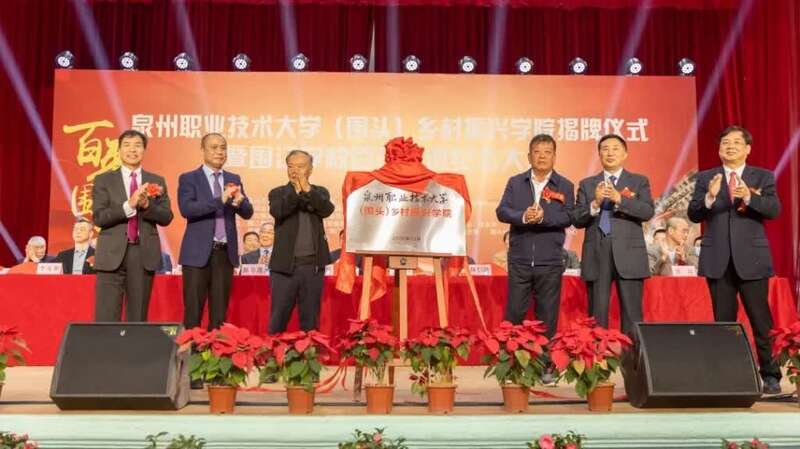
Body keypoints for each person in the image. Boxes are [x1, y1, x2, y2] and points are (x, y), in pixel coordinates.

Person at [688, 125, 782, 394]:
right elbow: (694, 214)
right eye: (725, 143)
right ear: (719, 149)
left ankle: (771, 374)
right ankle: (726, 376)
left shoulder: (762, 176)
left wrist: (749, 196)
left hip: (752, 259)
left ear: (747, 149)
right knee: (723, 323)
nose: (730, 147)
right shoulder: (707, 177)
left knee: (761, 320)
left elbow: (773, 210)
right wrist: (709, 197)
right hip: (718, 259)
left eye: (736, 143)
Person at [571, 134, 654, 335]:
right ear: (599, 154)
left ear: (625, 153)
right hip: (597, 252)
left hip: (629, 254)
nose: (610, 153)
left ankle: (632, 354)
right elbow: (577, 218)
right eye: (605, 149)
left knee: (632, 314)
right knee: (597, 314)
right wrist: (595, 203)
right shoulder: (587, 184)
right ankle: (598, 354)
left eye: (615, 148)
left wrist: (620, 199)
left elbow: (647, 211)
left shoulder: (639, 181)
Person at [496, 134, 574, 341]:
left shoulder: (564, 185)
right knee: (513, 316)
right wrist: (523, 216)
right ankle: (511, 359)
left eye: (547, 152)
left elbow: (569, 216)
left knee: (547, 319)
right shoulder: (515, 182)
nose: (542, 156)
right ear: (529, 156)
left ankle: (545, 359)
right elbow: (502, 211)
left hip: (550, 262)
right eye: (537, 152)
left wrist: (543, 217)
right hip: (519, 261)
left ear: (554, 157)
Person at [92, 129, 173, 321]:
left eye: (137, 145)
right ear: (119, 150)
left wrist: (146, 206)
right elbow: (99, 217)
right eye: (127, 145)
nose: (132, 150)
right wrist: (129, 205)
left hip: (143, 254)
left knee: (137, 317)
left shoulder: (156, 181)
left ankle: (135, 342)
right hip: (111, 254)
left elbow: (166, 217)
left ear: (144, 150)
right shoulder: (104, 180)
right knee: (106, 317)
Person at [178, 132, 254, 334]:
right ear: (203, 150)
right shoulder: (189, 178)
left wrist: (240, 202)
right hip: (196, 255)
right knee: (193, 312)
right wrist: (220, 200)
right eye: (214, 147)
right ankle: (191, 352)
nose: (219, 152)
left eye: (223, 148)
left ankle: (215, 352)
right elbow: (187, 209)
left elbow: (247, 213)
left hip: (224, 254)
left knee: (219, 316)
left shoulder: (233, 179)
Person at [268, 150, 334, 334]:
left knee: (310, 322)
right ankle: (274, 352)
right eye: (291, 166)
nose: (295, 170)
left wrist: (307, 190)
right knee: (278, 320)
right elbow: (278, 211)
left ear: (310, 169)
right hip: (284, 268)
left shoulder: (319, 192)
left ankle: (310, 352)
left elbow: (326, 209)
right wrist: (297, 191)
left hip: (312, 267)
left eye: (300, 166)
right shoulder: (278, 193)